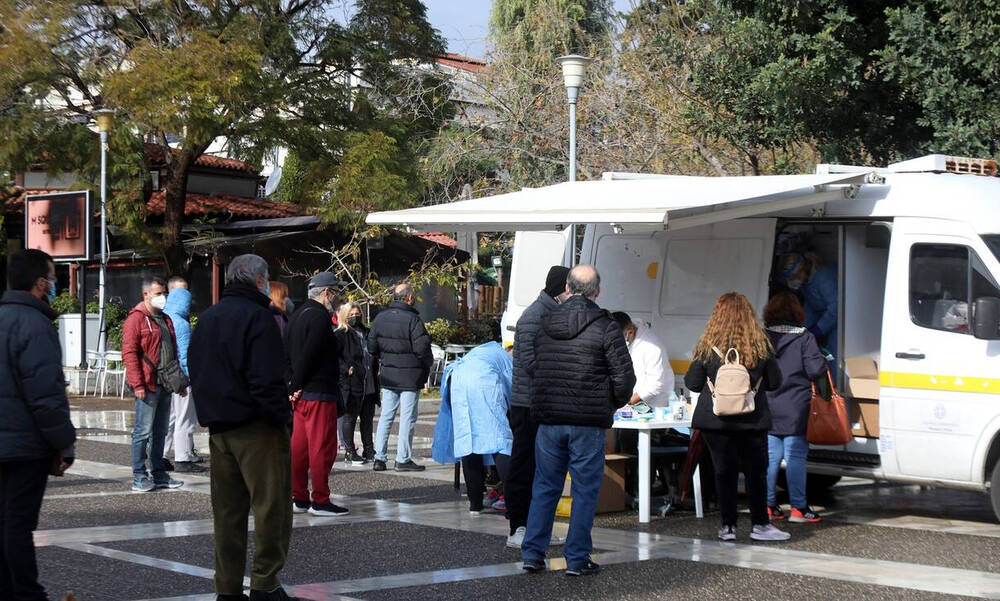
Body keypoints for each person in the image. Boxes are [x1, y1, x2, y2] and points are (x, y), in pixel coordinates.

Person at [188, 254, 301, 601]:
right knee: (271, 508)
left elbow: (196, 368)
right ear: (258, 280)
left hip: (219, 427)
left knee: (228, 513)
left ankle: (228, 587)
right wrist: (282, 417)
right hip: (257, 426)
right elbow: (267, 378)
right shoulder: (259, 318)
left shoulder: (207, 318)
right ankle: (265, 582)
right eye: (266, 279)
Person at [521, 265, 636, 577]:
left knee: (545, 486)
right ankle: (577, 558)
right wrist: (610, 403)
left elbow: (534, 364)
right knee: (585, 490)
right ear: (596, 292)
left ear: (568, 289)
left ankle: (532, 553)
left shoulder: (545, 322)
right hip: (587, 420)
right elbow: (624, 377)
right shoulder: (606, 326)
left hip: (550, 418)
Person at [0, 249, 76, 601]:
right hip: (24, 446)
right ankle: (27, 593)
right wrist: (63, 443)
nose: (54, 283)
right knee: (17, 524)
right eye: (52, 276)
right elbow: (45, 394)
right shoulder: (35, 325)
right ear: (40, 283)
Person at [684, 292, 788, 542]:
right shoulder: (759, 344)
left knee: (723, 472)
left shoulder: (708, 345)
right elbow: (774, 382)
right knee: (756, 473)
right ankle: (760, 525)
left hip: (716, 420)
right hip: (752, 420)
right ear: (749, 315)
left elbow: (693, 383)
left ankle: (728, 526)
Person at [506, 265, 569, 548]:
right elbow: (531, 363)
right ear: (562, 289)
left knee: (544, 469)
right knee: (524, 466)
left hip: (542, 403)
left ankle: (537, 528)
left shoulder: (551, 313)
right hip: (526, 404)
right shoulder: (534, 317)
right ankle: (517, 527)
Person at [284, 272, 349, 516]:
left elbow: (287, 354)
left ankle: (298, 495)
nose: (338, 296)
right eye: (336, 291)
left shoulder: (297, 314)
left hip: (300, 393)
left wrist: (291, 385)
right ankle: (320, 499)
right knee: (322, 447)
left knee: (299, 447)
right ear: (325, 293)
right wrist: (296, 382)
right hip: (319, 390)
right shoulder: (321, 318)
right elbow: (311, 355)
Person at [763, 292, 828, 524]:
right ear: (797, 313)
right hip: (796, 407)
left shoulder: (764, 337)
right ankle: (799, 508)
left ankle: (769, 506)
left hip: (768, 405)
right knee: (795, 456)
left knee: (771, 458)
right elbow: (814, 370)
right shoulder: (805, 338)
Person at [431, 341, 513, 513]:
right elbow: (512, 389)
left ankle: (475, 502)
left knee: (468, 440)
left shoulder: (485, 351)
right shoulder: (506, 358)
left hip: (457, 379)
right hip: (483, 382)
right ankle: (514, 500)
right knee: (500, 440)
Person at [122, 275, 185, 492]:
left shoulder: (165, 319)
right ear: (146, 294)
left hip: (166, 384)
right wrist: (137, 384)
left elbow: (172, 352)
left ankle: (159, 474)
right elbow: (129, 353)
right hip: (147, 385)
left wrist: (180, 383)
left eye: (164, 293)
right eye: (158, 293)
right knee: (142, 432)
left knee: (160, 432)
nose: (163, 297)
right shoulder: (136, 319)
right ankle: (139, 475)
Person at [368, 283, 433, 473]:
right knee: (407, 418)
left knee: (386, 416)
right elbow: (422, 348)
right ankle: (402, 458)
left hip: (389, 374)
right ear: (409, 298)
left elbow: (371, 347)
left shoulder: (380, 318)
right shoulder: (413, 320)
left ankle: (379, 457)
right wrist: (427, 364)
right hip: (411, 376)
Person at [162, 276, 204, 473]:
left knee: (169, 419)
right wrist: (190, 378)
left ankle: (160, 455)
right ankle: (183, 458)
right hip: (182, 378)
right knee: (185, 418)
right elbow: (185, 354)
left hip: (166, 377)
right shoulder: (181, 322)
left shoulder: (162, 317)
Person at [334, 302, 379, 465]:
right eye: (351, 314)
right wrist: (346, 369)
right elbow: (334, 357)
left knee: (367, 418)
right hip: (352, 382)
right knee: (350, 417)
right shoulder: (341, 334)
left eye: (357, 314)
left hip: (369, 381)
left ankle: (369, 449)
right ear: (345, 316)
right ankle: (350, 451)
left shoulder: (367, 332)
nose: (355, 317)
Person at [778, 252, 837, 359]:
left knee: (833, 355)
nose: (791, 282)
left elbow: (836, 309)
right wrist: (800, 329)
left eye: (792, 277)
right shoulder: (806, 282)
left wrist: (817, 330)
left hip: (841, 320)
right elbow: (811, 307)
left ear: (800, 270)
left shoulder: (823, 277)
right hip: (829, 318)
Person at [610, 312, 674, 407]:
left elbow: (655, 385)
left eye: (619, 338)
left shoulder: (651, 347)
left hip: (652, 405)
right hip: (630, 401)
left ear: (630, 332)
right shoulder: (629, 337)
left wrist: (628, 402)